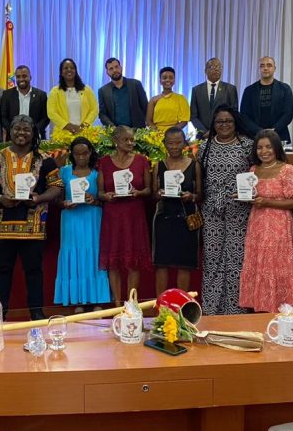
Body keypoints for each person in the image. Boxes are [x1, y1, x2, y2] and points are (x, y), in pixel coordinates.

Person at [0, 115, 63, 320]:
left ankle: (36, 313)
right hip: (2, 226)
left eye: (26, 129)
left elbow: (57, 186)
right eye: (17, 128)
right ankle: (0, 315)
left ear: (34, 133)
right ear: (9, 131)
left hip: (33, 227)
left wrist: (39, 198)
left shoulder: (44, 158)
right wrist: (0, 197)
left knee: (34, 271)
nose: (21, 133)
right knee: (2, 272)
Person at [239, 130, 293, 313]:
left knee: (276, 265)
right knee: (258, 263)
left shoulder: (288, 170)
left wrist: (267, 202)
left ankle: (280, 307)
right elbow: (252, 195)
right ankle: (259, 306)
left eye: (268, 146)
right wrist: (243, 196)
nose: (264, 151)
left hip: (279, 225)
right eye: (259, 147)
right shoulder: (253, 170)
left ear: (276, 148)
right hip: (257, 224)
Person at [198, 105, 254, 315]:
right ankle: (211, 310)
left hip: (239, 211)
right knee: (212, 259)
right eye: (220, 122)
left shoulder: (247, 145)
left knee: (236, 260)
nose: (224, 125)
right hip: (211, 211)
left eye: (228, 121)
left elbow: (255, 174)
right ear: (213, 124)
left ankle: (236, 310)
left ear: (235, 122)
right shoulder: (205, 147)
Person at [97, 126, 152, 303]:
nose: (130, 143)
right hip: (113, 216)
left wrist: (139, 192)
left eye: (132, 139)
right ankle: (117, 304)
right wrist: (106, 196)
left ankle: (131, 303)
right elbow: (100, 192)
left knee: (133, 261)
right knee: (113, 262)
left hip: (134, 214)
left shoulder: (142, 160)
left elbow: (149, 189)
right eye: (126, 140)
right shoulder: (104, 162)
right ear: (115, 141)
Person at [54, 137, 111, 307]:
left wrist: (94, 201)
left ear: (90, 153)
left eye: (84, 153)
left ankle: (97, 300)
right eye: (77, 153)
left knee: (93, 256)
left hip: (93, 219)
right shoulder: (64, 172)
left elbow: (105, 199)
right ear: (72, 154)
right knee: (73, 255)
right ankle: (77, 300)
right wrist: (64, 203)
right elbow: (56, 200)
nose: (81, 157)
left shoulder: (97, 173)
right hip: (71, 220)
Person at [152, 127, 202, 295]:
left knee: (184, 264)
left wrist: (191, 196)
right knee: (162, 263)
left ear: (184, 143)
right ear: (164, 144)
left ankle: (181, 306)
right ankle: (161, 306)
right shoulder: (159, 165)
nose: (174, 146)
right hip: (164, 218)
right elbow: (154, 194)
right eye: (170, 143)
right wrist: (159, 194)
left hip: (186, 219)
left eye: (178, 142)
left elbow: (201, 194)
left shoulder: (194, 165)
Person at [240, 56, 293, 144]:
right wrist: (259, 131)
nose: (265, 68)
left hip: (279, 135)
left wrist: (274, 129)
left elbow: (288, 114)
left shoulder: (285, 89)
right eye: (262, 65)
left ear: (274, 68)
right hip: (254, 136)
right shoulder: (249, 90)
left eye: (269, 65)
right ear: (259, 69)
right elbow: (244, 116)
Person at [47, 58, 98, 137]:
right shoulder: (55, 91)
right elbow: (51, 112)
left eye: (72, 68)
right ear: (61, 72)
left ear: (75, 71)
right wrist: (69, 126)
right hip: (63, 134)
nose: (69, 70)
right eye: (66, 68)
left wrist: (83, 126)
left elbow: (94, 109)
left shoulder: (87, 90)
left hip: (84, 133)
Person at [190, 58, 239, 139]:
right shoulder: (196, 90)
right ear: (205, 70)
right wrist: (204, 132)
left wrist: (215, 131)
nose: (217, 69)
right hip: (202, 136)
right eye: (213, 67)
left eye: (219, 67)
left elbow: (234, 113)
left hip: (224, 135)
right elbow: (193, 115)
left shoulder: (230, 89)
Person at [0, 65, 50, 139]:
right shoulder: (7, 95)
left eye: (24, 76)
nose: (21, 79)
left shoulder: (41, 95)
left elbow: (45, 117)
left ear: (30, 77)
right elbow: (3, 117)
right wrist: (13, 130)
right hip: (13, 138)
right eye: (18, 77)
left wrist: (34, 131)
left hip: (35, 137)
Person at [98, 58, 148, 129]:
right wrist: (112, 127)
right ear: (107, 72)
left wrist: (146, 123)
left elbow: (145, 106)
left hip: (138, 130)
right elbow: (102, 114)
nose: (115, 70)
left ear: (121, 67)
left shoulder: (136, 84)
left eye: (116, 67)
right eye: (111, 69)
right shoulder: (103, 91)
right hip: (116, 132)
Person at [146, 67, 191, 131]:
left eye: (171, 78)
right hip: (156, 135)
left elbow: (184, 121)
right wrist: (157, 133)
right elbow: (148, 121)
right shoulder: (153, 100)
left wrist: (171, 132)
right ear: (160, 81)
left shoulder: (181, 98)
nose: (167, 80)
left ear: (174, 80)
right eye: (164, 78)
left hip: (175, 134)